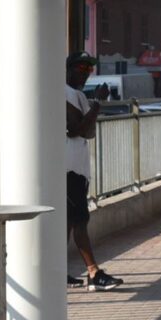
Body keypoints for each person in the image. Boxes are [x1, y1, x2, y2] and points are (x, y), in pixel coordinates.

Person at [65, 53, 123, 290]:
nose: (86, 72)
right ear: (68, 68)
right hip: (69, 169)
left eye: (89, 68)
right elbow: (76, 129)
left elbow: (85, 130)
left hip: (75, 168)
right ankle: (93, 273)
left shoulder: (76, 95)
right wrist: (97, 103)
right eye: (81, 67)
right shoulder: (65, 93)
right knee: (80, 220)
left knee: (69, 222)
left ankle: (59, 272)